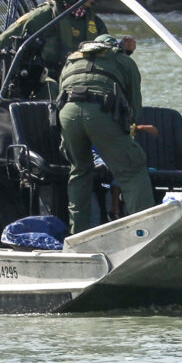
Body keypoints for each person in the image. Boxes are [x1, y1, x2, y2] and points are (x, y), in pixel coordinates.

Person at [0, 0, 136, 99]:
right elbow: (2, 42)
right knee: (51, 89)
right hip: (45, 80)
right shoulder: (46, 15)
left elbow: (105, 54)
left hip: (79, 81)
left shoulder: (95, 23)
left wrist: (122, 49)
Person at [58, 34, 153, 234]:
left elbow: (61, 94)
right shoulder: (124, 61)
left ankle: (78, 234)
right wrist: (128, 131)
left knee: (79, 170)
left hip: (67, 115)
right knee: (132, 169)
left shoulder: (72, 60)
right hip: (101, 113)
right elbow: (134, 105)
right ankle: (145, 233)